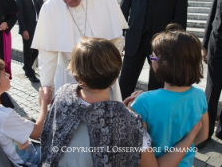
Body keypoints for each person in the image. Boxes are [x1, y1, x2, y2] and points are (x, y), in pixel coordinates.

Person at [41, 37, 203, 166]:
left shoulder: (63, 94)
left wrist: (120, 110)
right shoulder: (130, 121)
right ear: (115, 77)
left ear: (75, 74)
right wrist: (189, 138)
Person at [31, 0, 128, 101]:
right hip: (68, 75)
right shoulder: (49, 7)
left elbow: (116, 40)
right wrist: (46, 84)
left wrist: (110, 70)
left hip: (102, 76)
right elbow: (48, 51)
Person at [130, 26, 209, 166]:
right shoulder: (199, 95)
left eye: (153, 56)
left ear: (164, 64)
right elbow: (203, 135)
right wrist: (185, 145)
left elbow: (135, 150)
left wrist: (128, 112)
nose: (151, 60)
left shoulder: (144, 102)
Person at [119, 0, 188, 100]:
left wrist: (175, 47)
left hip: (161, 47)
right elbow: (123, 11)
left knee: (157, 87)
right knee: (124, 83)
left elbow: (180, 19)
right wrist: (120, 38)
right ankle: (119, 117)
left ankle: (151, 120)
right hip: (134, 42)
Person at [201, 0, 222, 144]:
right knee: (212, 89)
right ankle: (205, 133)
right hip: (217, 43)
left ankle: (221, 131)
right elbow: (213, 10)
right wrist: (205, 44)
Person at [16, 0, 43, 83]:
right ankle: (30, 73)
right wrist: (23, 29)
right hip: (27, 28)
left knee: (37, 49)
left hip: (38, 28)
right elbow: (19, 14)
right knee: (28, 51)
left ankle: (27, 67)